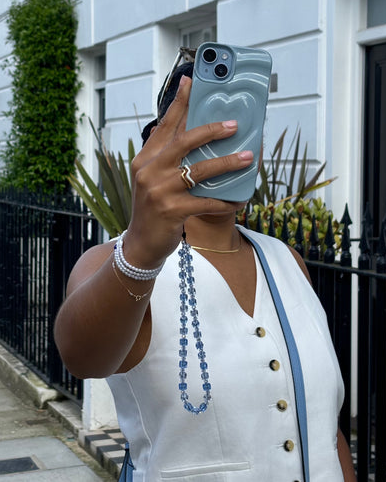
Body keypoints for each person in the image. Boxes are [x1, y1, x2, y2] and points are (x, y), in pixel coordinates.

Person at [54, 57, 357, 482]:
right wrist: (142, 250)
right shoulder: (116, 262)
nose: (227, 143)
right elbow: (81, 357)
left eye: (243, 125)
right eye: (206, 126)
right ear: (159, 144)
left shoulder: (287, 261)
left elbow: (325, 432)